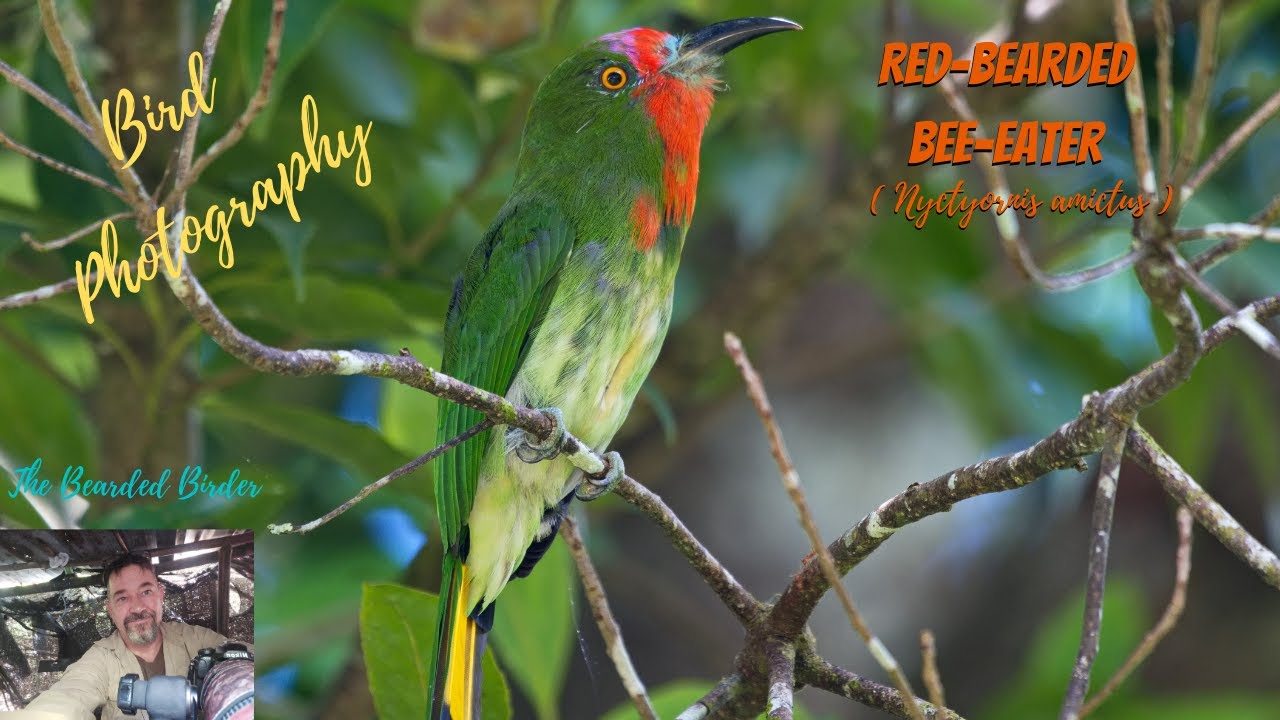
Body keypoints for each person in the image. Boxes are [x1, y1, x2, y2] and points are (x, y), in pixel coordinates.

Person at [14, 553, 249, 720]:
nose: (137, 607)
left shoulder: (194, 638)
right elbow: (68, 696)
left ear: (161, 594)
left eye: (146, 592)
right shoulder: (101, 658)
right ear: (110, 609)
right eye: (122, 598)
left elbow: (244, 656)